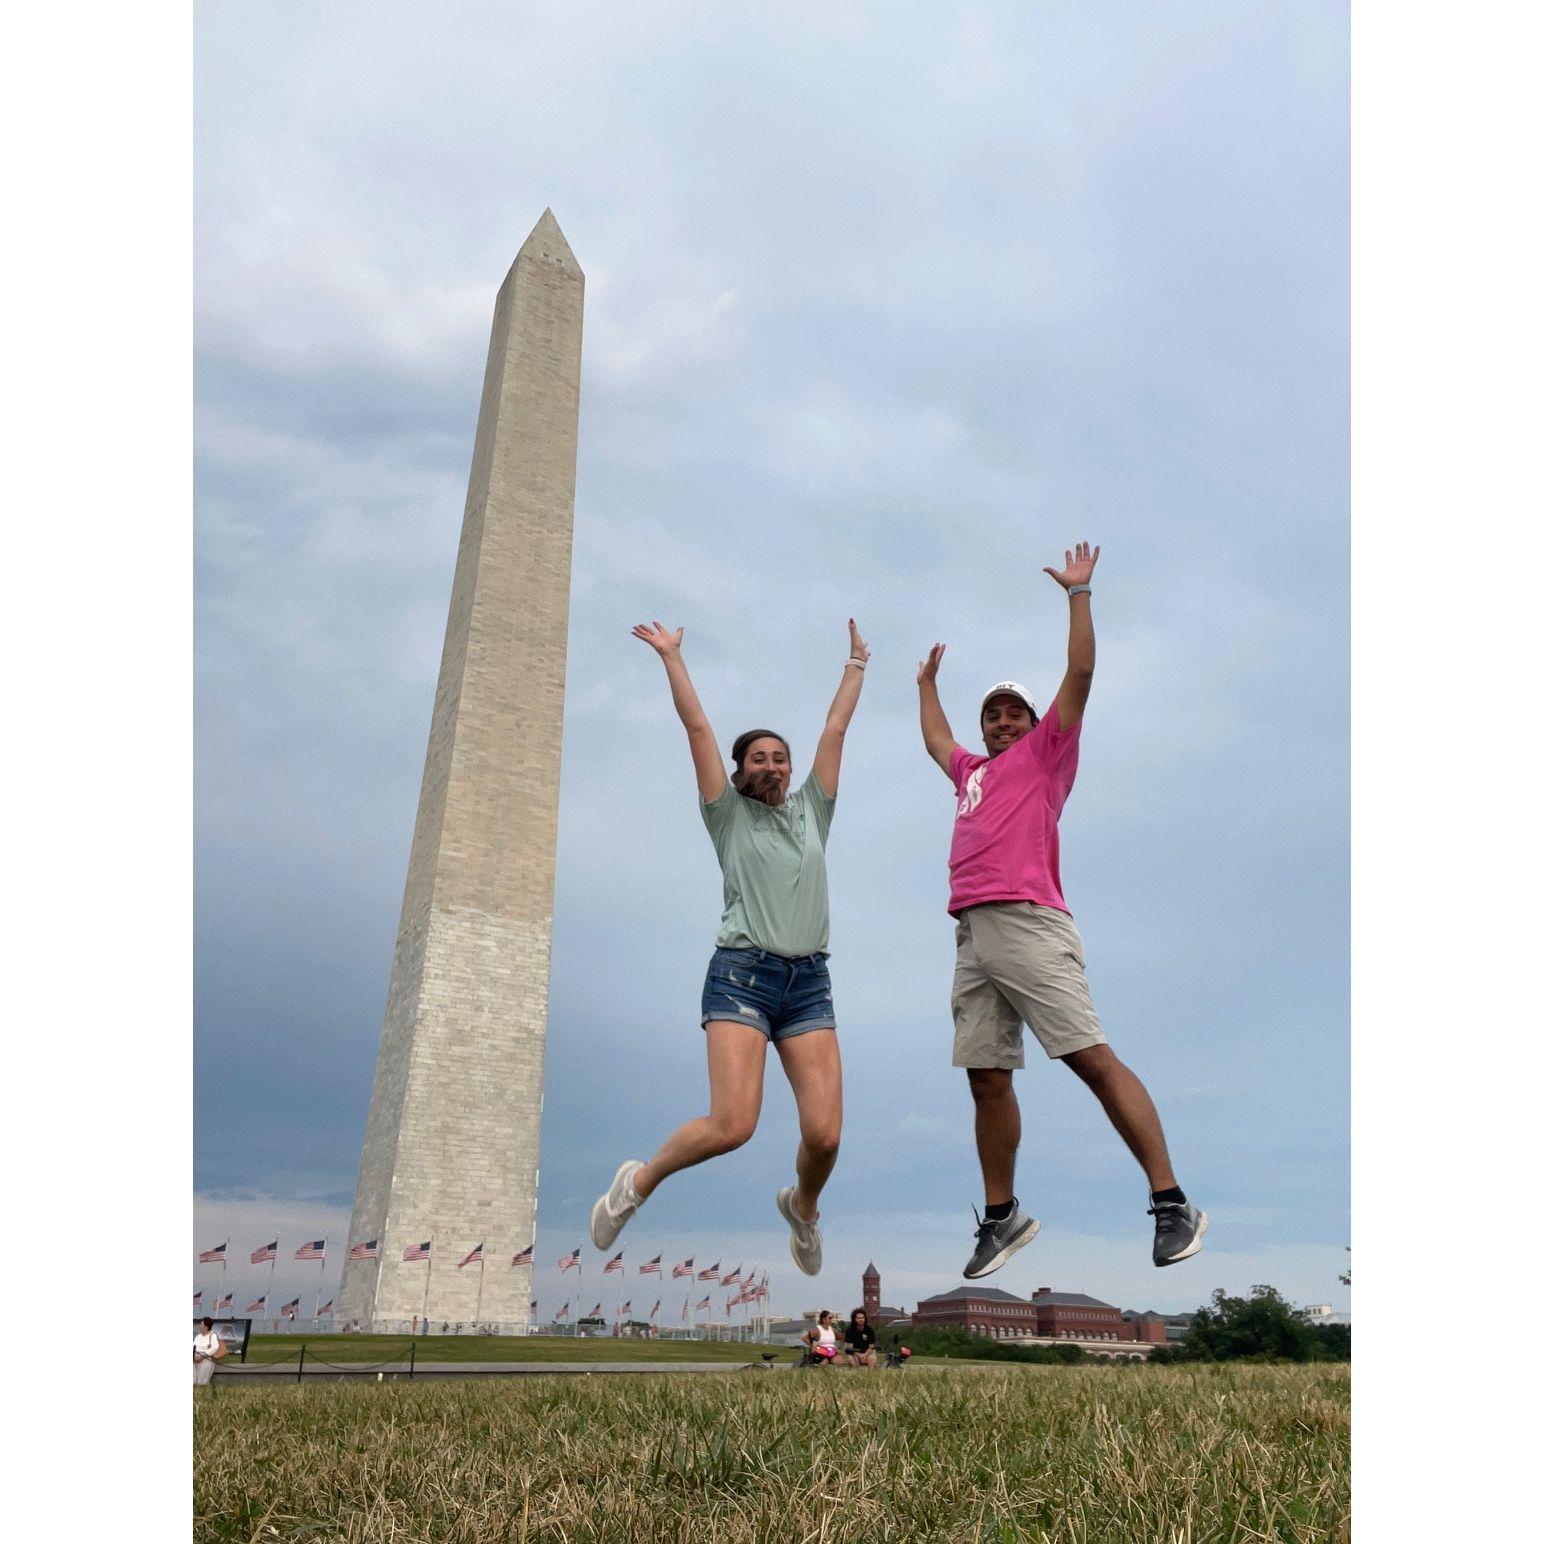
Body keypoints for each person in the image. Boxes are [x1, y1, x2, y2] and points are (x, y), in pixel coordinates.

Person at [916, 541, 1207, 1277]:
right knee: (985, 1075)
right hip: (973, 933)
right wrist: (926, 683)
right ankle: (1000, 1216)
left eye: (1016, 712)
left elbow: (1079, 673)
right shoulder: (972, 774)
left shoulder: (1046, 753)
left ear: (1034, 722)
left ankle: (1173, 1202)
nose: (1005, 722)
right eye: (995, 715)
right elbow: (935, 739)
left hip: (1030, 921)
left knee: (1088, 1058)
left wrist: (1078, 595)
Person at [590, 619, 869, 1277]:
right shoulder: (727, 813)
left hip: (809, 983)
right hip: (742, 975)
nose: (772, 765)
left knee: (825, 1135)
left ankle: (802, 1208)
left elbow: (834, 730)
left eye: (780, 757)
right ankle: (639, 1182)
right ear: (742, 771)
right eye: (759, 758)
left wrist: (855, 663)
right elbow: (698, 731)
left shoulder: (812, 810)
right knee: (733, 1125)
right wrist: (672, 658)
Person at [193, 1316, 224, 1388]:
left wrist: (203, 1355)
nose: (199, 1326)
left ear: (206, 1327)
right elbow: (193, 1346)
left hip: (206, 1361)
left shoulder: (212, 1335)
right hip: (195, 1361)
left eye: (201, 1325)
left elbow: (215, 1347)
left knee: (202, 1382)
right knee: (193, 1381)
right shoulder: (198, 1336)